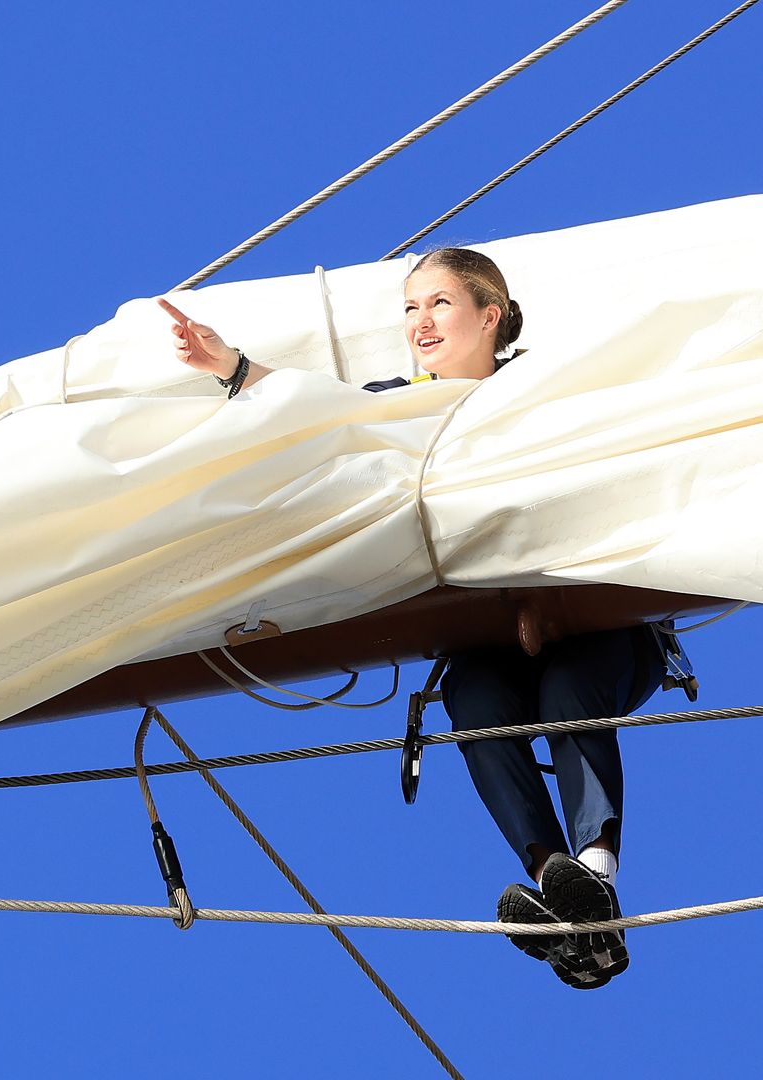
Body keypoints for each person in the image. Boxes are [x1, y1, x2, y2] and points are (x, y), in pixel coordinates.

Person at [157, 248, 666, 990]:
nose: (419, 323)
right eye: (409, 308)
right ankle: (554, 890)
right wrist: (231, 367)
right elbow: (318, 413)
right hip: (488, 637)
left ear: (489, 316)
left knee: (566, 696)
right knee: (474, 700)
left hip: (600, 629)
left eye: (438, 305)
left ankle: (594, 871)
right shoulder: (399, 404)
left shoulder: (545, 386)